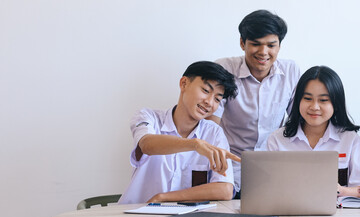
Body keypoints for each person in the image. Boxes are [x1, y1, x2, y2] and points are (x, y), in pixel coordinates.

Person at [119, 61, 241, 204]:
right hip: (134, 215)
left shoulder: (214, 133)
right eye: (206, 91)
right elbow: (147, 145)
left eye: (217, 99)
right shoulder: (148, 117)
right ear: (184, 83)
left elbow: (225, 189)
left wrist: (163, 198)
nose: (209, 102)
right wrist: (194, 144)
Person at [207, 10, 301, 197]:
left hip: (274, 167)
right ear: (242, 43)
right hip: (229, 164)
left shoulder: (291, 71)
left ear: (279, 46)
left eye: (271, 45)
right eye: (255, 44)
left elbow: (299, 120)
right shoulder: (224, 69)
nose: (263, 52)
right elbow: (211, 123)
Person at [267, 66, 360, 198]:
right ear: (298, 100)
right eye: (307, 98)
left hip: (340, 214)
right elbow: (269, 188)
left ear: (336, 103)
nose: (314, 107)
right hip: (290, 212)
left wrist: (340, 190)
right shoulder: (277, 139)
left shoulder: (351, 140)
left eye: (323, 100)